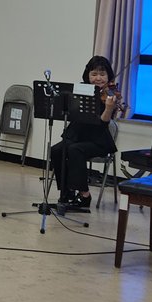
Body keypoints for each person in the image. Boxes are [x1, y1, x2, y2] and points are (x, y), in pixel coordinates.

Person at [49, 56, 122, 212]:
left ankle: (85, 195)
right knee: (56, 150)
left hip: (98, 140)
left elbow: (103, 123)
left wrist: (109, 108)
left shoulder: (111, 94)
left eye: (102, 74)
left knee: (75, 150)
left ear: (108, 75)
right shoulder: (81, 90)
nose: (98, 78)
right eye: (94, 74)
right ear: (87, 76)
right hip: (78, 135)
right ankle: (66, 192)